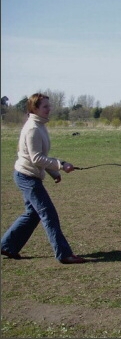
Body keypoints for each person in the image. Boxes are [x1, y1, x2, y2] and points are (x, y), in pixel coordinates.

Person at [1, 93, 86, 264]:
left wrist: (54, 172)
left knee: (33, 214)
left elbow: (40, 156)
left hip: (29, 175)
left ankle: (7, 245)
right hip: (27, 177)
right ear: (34, 109)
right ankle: (64, 254)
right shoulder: (33, 128)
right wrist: (61, 164)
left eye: (49, 106)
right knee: (49, 214)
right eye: (45, 106)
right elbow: (36, 158)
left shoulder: (39, 125)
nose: (49, 109)